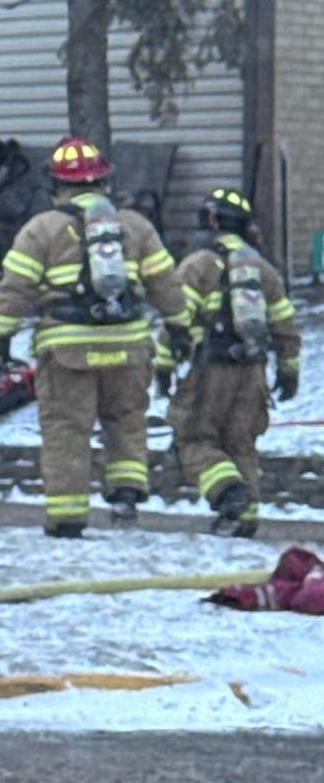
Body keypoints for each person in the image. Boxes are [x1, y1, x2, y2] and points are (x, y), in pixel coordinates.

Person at [0, 138, 189, 537]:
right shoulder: (135, 227)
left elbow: (15, 289)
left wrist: (1, 337)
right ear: (103, 182)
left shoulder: (41, 229)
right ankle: (127, 496)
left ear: (57, 185)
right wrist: (179, 327)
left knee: (67, 429)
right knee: (126, 420)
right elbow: (166, 284)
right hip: (129, 346)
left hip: (68, 352)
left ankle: (67, 517)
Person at [155, 187, 301, 538]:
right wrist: (289, 369)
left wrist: (163, 366)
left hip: (211, 370)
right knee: (241, 443)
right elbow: (285, 325)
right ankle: (244, 518)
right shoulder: (265, 270)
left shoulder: (199, 264)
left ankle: (228, 494)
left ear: (211, 221)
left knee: (193, 437)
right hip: (253, 372)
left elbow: (177, 320)